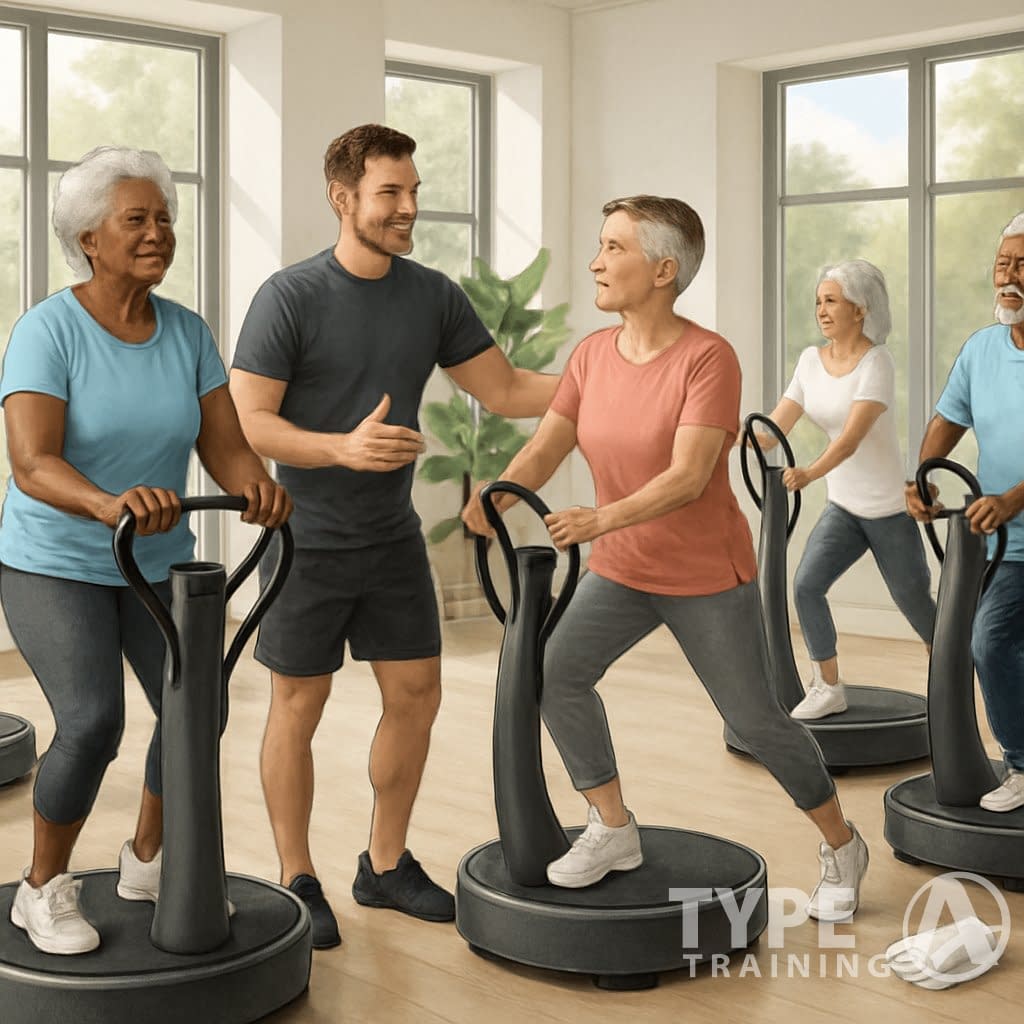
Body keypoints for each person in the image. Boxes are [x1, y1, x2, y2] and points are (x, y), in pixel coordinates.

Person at [462, 195, 868, 921]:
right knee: (556, 674)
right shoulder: (591, 356)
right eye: (600, 245)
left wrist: (597, 519)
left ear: (663, 270)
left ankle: (842, 843)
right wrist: (497, 497)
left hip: (704, 575)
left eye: (613, 248)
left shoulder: (707, 358)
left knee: (755, 722)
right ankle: (613, 826)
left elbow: (687, 476)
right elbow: (548, 445)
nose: (596, 262)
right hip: (622, 569)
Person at [229, 123, 559, 947]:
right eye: (391, 193)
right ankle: (297, 877)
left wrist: (618, 378)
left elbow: (507, 389)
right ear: (342, 198)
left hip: (391, 539)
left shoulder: (432, 295)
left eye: (414, 192)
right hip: (304, 539)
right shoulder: (289, 297)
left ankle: (383, 863)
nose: (409, 207)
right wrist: (339, 448)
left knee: (416, 696)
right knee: (298, 704)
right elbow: (248, 420)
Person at [0, 146, 291, 956]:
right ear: (89, 238)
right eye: (137, 219)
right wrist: (109, 504)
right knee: (94, 721)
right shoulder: (47, 332)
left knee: (199, 709)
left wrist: (258, 486)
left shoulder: (186, 332)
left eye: (164, 218)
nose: (158, 232)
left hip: (155, 564)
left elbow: (225, 447)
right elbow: (32, 462)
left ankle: (149, 859)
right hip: (54, 562)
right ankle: (41, 888)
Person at [757, 260, 935, 719]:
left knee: (916, 602)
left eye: (831, 300)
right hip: (844, 509)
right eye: (818, 301)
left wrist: (808, 473)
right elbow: (774, 428)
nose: (821, 309)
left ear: (860, 309)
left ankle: (952, 672)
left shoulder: (878, 362)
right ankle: (829, 687)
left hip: (888, 509)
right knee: (806, 586)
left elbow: (851, 439)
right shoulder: (809, 362)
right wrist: (726, 437)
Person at [905, 212, 1024, 813]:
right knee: (989, 644)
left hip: (1007, 521)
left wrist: (1013, 499)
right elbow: (948, 419)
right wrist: (923, 476)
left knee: (994, 643)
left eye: (1022, 265)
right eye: (1003, 264)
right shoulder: (981, 349)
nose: (1009, 277)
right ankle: (1022, 765)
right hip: (1003, 545)